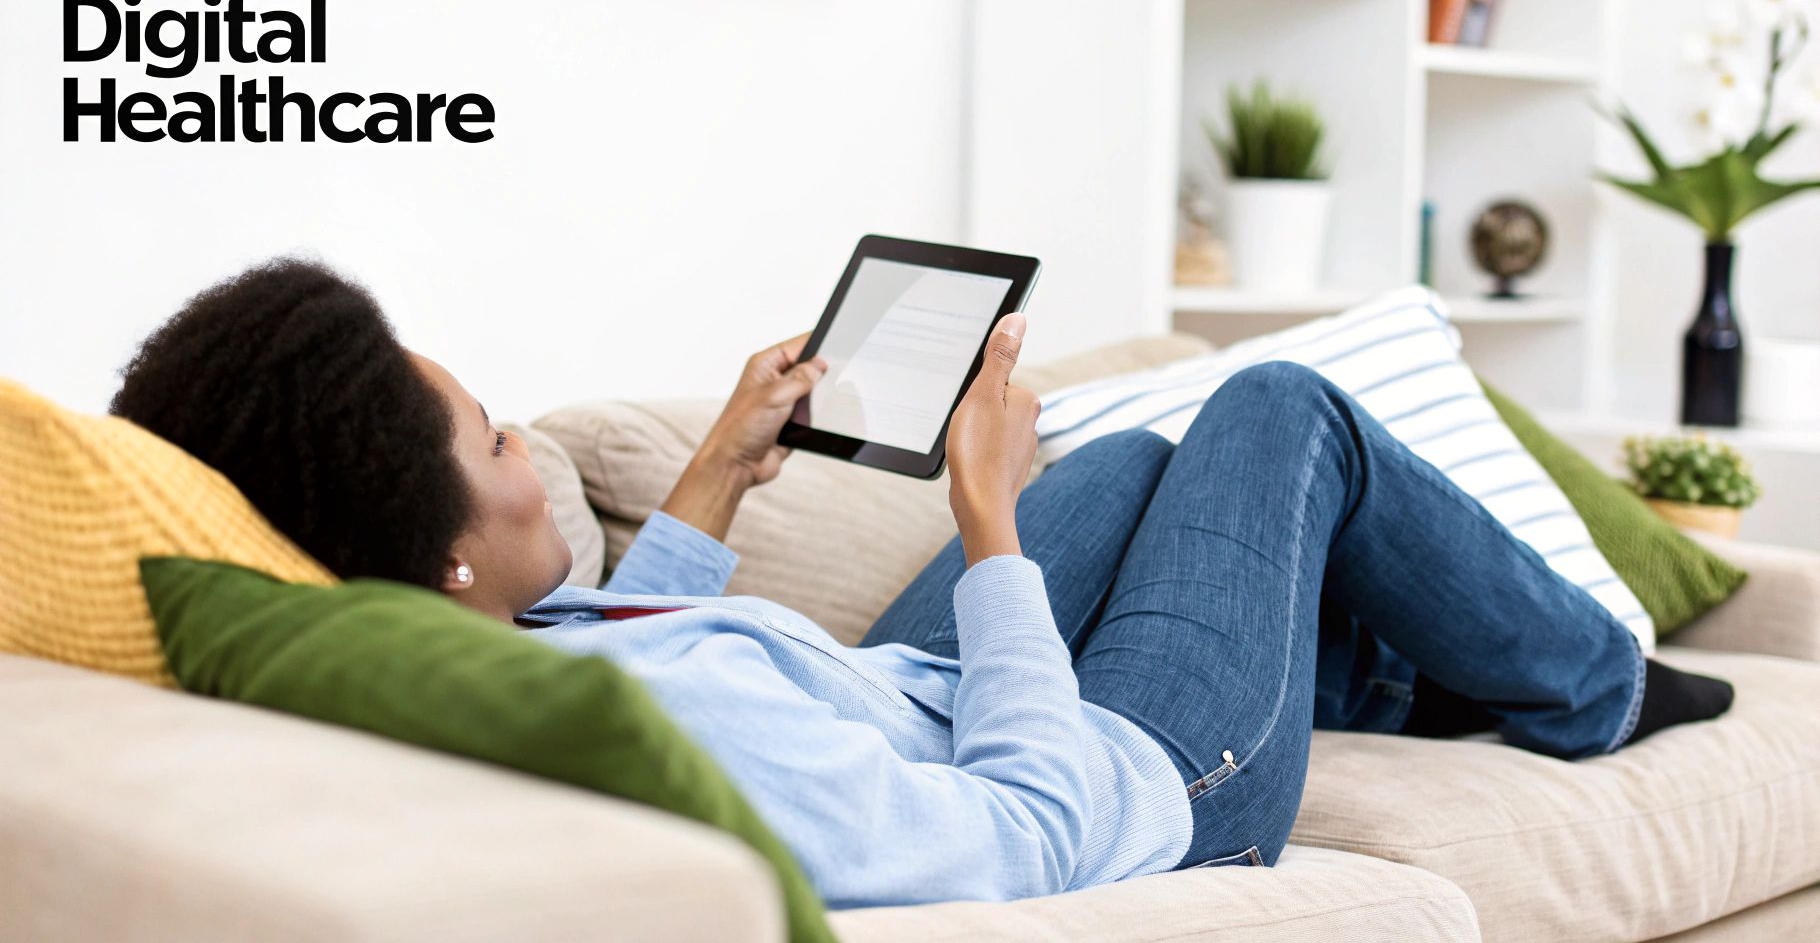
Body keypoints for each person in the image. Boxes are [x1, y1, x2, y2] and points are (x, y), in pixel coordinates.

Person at [111, 259, 1734, 909]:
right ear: (443, 545)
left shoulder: (445, 636)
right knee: (1271, 414)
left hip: (934, 705)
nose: (533, 442)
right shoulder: (688, 729)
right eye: (491, 437)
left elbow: (620, 632)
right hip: (1135, 782)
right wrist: (988, 539)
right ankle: (1589, 683)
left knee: (1133, 471)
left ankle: (1397, 667)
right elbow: (1029, 834)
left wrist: (715, 476)